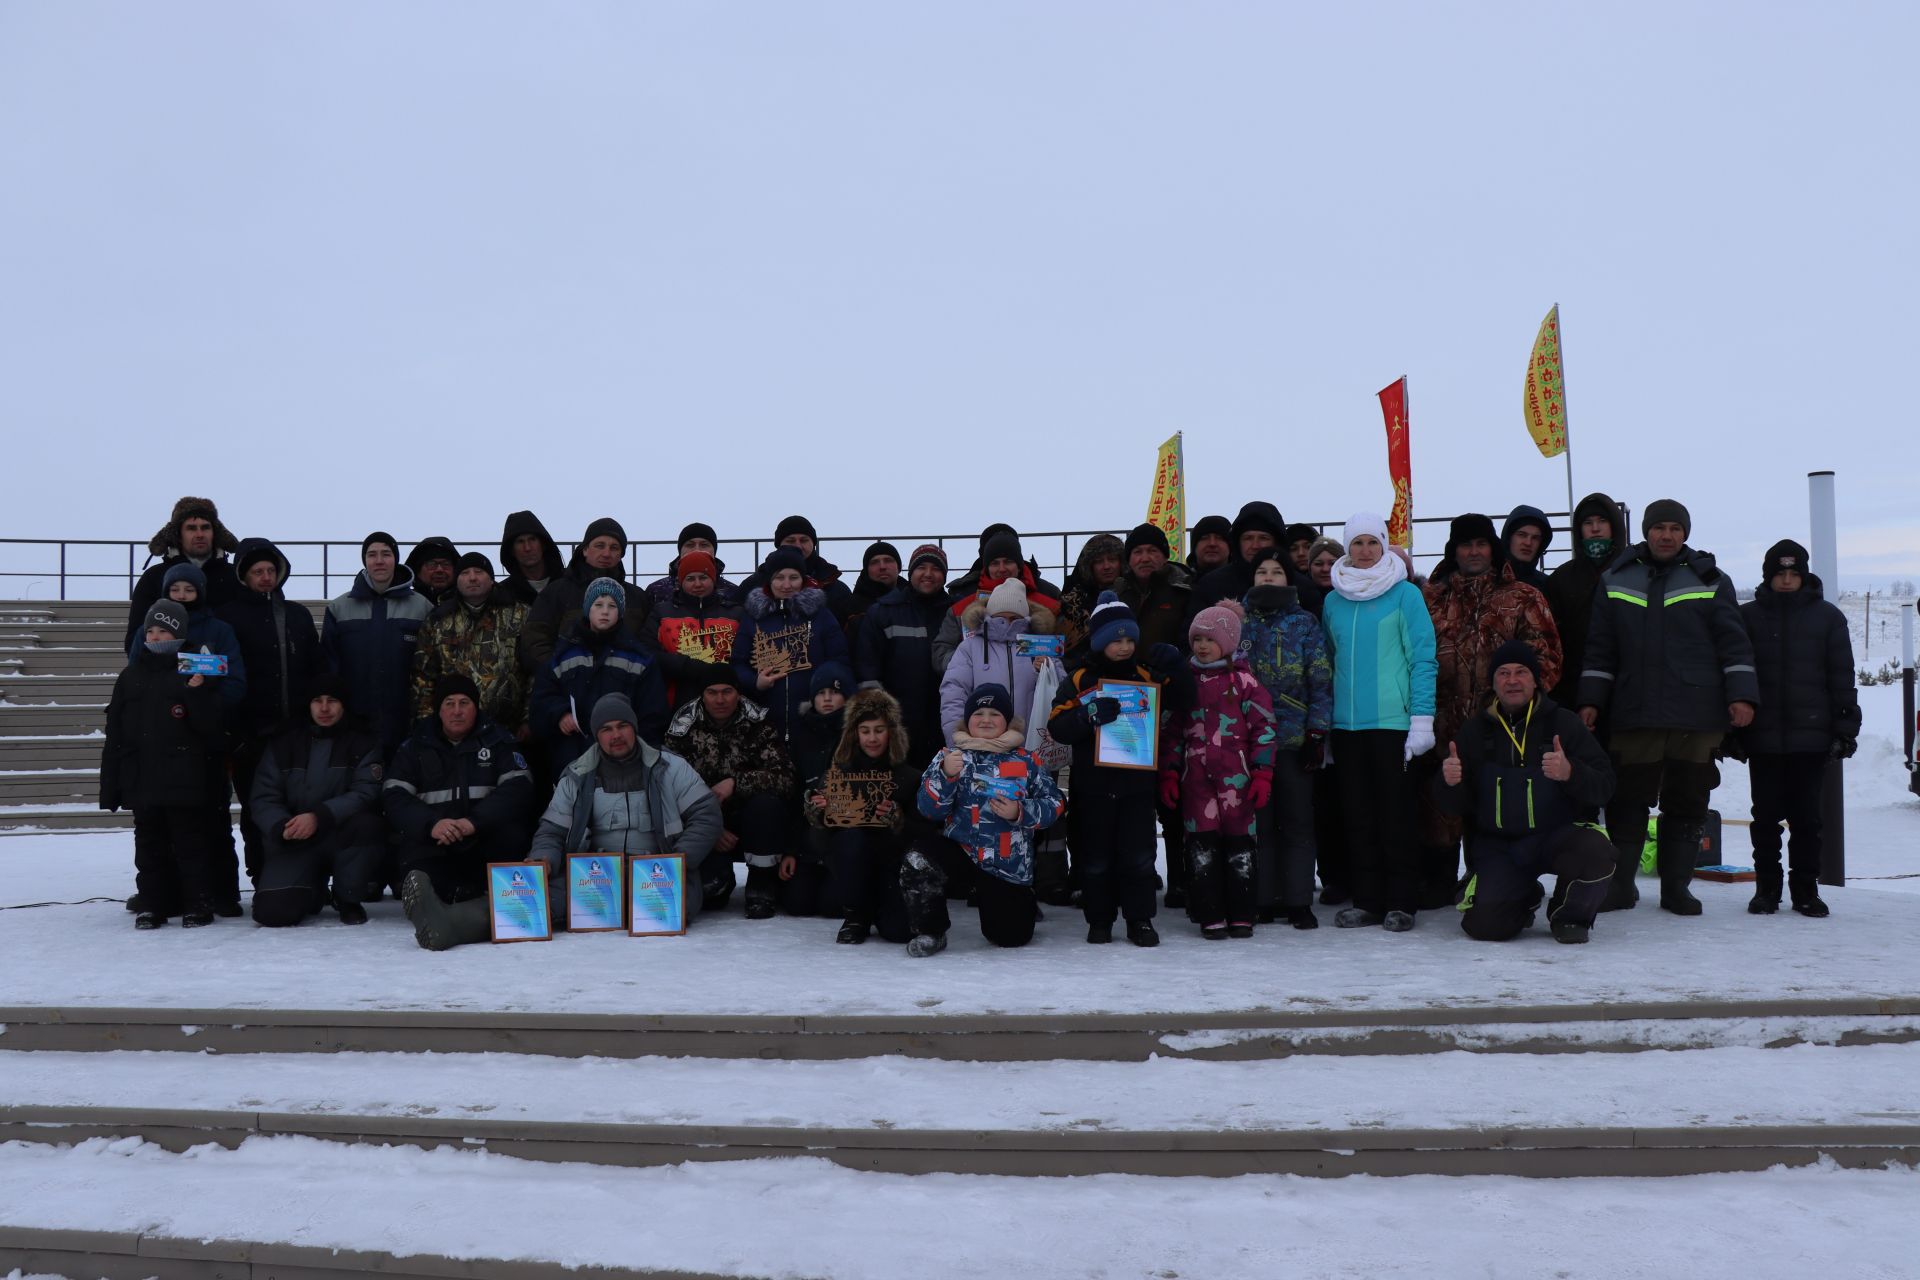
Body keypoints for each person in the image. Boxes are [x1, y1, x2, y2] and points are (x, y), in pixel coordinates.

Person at [1578, 499, 1759, 916]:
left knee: (1688, 802)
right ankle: (1620, 886)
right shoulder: (1616, 579)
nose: (1666, 535)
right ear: (1646, 531)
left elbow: (1734, 645)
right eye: (1659, 527)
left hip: (1695, 716)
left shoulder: (1712, 580)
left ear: (1685, 534)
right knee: (1626, 803)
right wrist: (1590, 701)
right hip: (1633, 713)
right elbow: (1600, 651)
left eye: (1675, 528)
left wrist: (1742, 696)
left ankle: (1677, 889)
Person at [1416, 513, 1563, 909]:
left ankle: (1490, 883)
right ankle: (1439, 881)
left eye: (1481, 543)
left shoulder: (1523, 597)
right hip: (1442, 727)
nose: (1474, 551)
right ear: (1454, 550)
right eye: (1466, 544)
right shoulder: (1430, 599)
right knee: (1441, 810)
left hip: (1502, 732)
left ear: (1493, 548)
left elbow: (1547, 660)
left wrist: (1514, 709)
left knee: (1494, 812)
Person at [1436, 640, 1616, 944]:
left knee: (1598, 853)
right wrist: (1449, 783)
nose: (1512, 680)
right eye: (1503, 674)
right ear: (1493, 683)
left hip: (1555, 836)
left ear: (1535, 680)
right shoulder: (1475, 730)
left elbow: (1606, 785)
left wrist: (1571, 773)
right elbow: (1455, 806)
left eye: (1521, 672)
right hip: (1499, 845)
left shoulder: (1564, 723)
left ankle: (1568, 915)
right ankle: (1524, 896)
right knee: (1485, 928)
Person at [1322, 512, 1438, 932]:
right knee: (1358, 815)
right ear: (1347, 549)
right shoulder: (1333, 599)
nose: (1366, 551)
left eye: (1373, 543)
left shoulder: (1405, 594)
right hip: (1348, 727)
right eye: (1357, 544)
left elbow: (1423, 658)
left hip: (1394, 725)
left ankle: (1401, 901)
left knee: (1396, 814)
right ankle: (1368, 900)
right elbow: (1330, 662)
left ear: (1386, 545)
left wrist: (1421, 720)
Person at [528, 692, 729, 925]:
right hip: (593, 876)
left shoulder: (670, 767)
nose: (616, 735)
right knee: (535, 906)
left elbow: (706, 814)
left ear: (634, 728)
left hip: (656, 873)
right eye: (606, 729)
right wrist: (542, 859)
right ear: (596, 736)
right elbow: (552, 831)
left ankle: (615, 909)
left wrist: (679, 860)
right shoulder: (576, 775)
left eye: (622, 726)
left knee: (670, 909)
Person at [1049, 593, 1179, 947]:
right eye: (1115, 640)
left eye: (1129, 640)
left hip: (1137, 787)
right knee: (1094, 858)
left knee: (1139, 857)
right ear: (1099, 642)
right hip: (1092, 786)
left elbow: (1183, 699)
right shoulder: (1079, 680)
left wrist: (1178, 669)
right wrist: (1086, 716)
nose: (1123, 647)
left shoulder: (1146, 675)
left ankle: (1140, 920)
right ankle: (1100, 920)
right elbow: (1057, 725)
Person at [1740, 539, 1858, 917]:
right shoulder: (1748, 618)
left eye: (1794, 573)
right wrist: (1733, 729)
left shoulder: (1827, 618)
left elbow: (1842, 676)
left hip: (1811, 737)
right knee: (1765, 818)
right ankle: (1766, 890)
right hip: (1764, 737)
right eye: (1780, 574)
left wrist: (1845, 728)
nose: (1787, 580)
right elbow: (1736, 676)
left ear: (1803, 576)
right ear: (1768, 577)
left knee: (1808, 819)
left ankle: (1806, 890)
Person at [906, 684, 1066, 956]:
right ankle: (931, 930)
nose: (986, 719)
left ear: (1007, 721)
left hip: (1006, 863)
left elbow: (1056, 804)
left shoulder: (1027, 761)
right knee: (918, 858)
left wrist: (1020, 812)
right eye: (979, 713)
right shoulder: (950, 757)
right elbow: (928, 810)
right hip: (962, 852)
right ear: (968, 720)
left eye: (995, 713)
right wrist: (946, 776)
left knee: (1010, 937)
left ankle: (1022, 900)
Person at [101, 603, 227, 929]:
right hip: (141, 778)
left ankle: (197, 903)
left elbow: (209, 727)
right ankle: (151, 904)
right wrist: (112, 783)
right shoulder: (130, 675)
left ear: (179, 635)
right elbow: (115, 729)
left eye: (164, 631)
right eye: (151, 631)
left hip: (184, 779)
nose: (156, 637)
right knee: (148, 847)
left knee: (190, 845)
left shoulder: (192, 670)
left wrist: (197, 694)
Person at [388, 674, 539, 947]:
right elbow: (394, 797)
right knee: (413, 856)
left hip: (482, 840)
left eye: (464, 703)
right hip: (435, 842)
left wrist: (474, 822)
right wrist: (431, 825)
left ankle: (456, 908)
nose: (457, 711)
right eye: (449, 703)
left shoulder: (499, 742)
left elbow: (518, 790)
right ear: (439, 709)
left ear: (476, 707)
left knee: (513, 836)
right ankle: (437, 899)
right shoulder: (414, 746)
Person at [1162, 603, 1275, 939]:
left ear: (1226, 643)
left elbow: (1263, 727)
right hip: (1196, 780)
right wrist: (1169, 771)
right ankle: (1209, 913)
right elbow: (1172, 729)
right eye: (1196, 639)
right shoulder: (1185, 681)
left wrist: (1262, 771)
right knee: (1201, 847)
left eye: (1209, 640)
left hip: (1236, 780)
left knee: (1240, 847)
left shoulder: (1244, 681)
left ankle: (1242, 913)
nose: (1201, 646)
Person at [217, 538, 319, 890]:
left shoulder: (298, 615)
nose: (265, 577)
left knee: (300, 804)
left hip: (295, 731)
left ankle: (304, 876)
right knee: (256, 809)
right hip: (251, 734)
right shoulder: (228, 616)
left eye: (270, 570)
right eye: (257, 571)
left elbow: (315, 669)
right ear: (244, 576)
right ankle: (262, 875)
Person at [1240, 549, 1332, 926]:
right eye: (1261, 571)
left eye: (1276, 571)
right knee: (1259, 823)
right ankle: (1263, 897)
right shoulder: (1237, 620)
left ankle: (1297, 900)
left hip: (1295, 739)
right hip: (1248, 741)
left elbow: (1321, 680)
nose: (1268, 577)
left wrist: (1316, 732)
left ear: (1288, 580)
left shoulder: (1304, 622)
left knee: (1296, 821)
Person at [248, 674, 385, 927]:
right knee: (273, 914)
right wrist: (281, 827)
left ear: (343, 705)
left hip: (341, 832)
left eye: (332, 701)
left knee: (368, 824)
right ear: (307, 704)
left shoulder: (363, 742)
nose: (324, 708)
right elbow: (263, 797)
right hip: (295, 838)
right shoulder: (283, 742)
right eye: (317, 701)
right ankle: (312, 889)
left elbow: (366, 792)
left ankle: (348, 899)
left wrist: (319, 816)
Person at [664, 663, 796, 918]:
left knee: (767, 806)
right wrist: (710, 828)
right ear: (702, 694)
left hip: (751, 820)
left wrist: (736, 782)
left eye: (727, 692)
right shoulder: (682, 726)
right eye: (712, 692)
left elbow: (786, 777)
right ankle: (719, 877)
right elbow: (668, 786)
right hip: (703, 822)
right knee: (711, 897)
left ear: (738, 692)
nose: (720, 699)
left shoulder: (759, 722)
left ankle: (761, 881)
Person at [802, 688, 924, 944]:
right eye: (865, 730)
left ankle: (878, 908)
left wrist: (898, 820)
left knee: (899, 932)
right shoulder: (835, 776)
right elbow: (820, 844)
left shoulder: (909, 777)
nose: (872, 738)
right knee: (850, 842)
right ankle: (856, 915)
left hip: (891, 870)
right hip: (849, 868)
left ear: (891, 732)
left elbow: (921, 836)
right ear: (854, 735)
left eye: (879, 730)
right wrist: (818, 817)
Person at [529, 577, 668, 774]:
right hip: (572, 760)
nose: (605, 611)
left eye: (612, 606)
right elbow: (541, 699)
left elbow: (653, 713)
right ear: (587, 609)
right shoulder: (562, 656)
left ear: (620, 612)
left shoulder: (641, 659)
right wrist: (560, 714)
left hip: (625, 764)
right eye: (598, 604)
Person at [321, 531, 433, 757]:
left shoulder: (422, 607)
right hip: (355, 726)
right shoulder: (339, 608)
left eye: (386, 554)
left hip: (406, 725)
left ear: (396, 559)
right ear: (365, 561)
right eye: (372, 555)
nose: (379, 561)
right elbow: (329, 667)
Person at [733, 546, 853, 740]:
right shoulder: (753, 617)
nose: (786, 584)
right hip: (765, 720)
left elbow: (839, 660)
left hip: (813, 717)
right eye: (779, 577)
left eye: (794, 577)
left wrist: (824, 688)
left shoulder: (821, 615)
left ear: (803, 580)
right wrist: (755, 682)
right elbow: (738, 663)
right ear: (769, 581)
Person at [411, 552, 530, 736]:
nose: (472, 578)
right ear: (457, 581)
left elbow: (535, 671)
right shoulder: (438, 620)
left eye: (479, 572)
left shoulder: (520, 615)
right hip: (452, 732)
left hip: (509, 732)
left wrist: (528, 719)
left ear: (491, 579)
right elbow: (424, 677)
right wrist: (428, 724)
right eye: (465, 573)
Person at [854, 543, 950, 767]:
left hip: (944, 722)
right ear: (910, 573)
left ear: (944, 576)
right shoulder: (883, 611)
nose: (928, 574)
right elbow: (868, 667)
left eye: (935, 568)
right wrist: (878, 720)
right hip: (898, 724)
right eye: (921, 567)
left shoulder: (955, 613)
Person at [938, 577, 1063, 747]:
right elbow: (953, 696)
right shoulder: (969, 647)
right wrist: (958, 743)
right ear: (989, 615)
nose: (1007, 623)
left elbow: (1062, 690)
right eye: (1000, 617)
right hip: (982, 748)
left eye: (1014, 618)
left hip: (1034, 745)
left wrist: (1049, 669)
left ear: (1024, 617)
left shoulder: (1040, 645)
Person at [519, 517, 650, 674]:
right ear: (585, 549)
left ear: (621, 554)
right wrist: (558, 674)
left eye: (614, 548)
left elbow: (647, 645)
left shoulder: (638, 597)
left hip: (625, 689)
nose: (606, 553)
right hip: (566, 688)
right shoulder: (556, 592)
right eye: (599, 546)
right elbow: (534, 640)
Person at [932, 527, 1063, 673]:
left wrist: (1050, 664)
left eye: (1008, 561)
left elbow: (1064, 649)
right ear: (987, 567)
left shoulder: (1050, 602)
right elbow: (941, 652)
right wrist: (965, 663)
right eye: (994, 563)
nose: (1002, 569)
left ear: (1019, 565)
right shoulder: (960, 608)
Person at [1543, 492, 1628, 712]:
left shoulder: (1635, 574)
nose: (1595, 528)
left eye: (1602, 521)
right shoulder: (1562, 578)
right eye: (1588, 522)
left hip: (1628, 692)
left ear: (1615, 527)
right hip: (1574, 692)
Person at [125, 496, 241, 651]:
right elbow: (135, 640)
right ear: (178, 534)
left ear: (215, 533)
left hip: (225, 670)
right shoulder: (153, 578)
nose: (200, 534)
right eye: (191, 528)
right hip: (165, 673)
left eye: (205, 527)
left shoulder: (235, 576)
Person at [640, 549, 746, 707]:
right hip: (675, 700)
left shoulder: (735, 613)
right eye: (690, 578)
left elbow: (744, 654)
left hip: (725, 702)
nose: (697, 584)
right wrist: (686, 666)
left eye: (703, 577)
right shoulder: (662, 612)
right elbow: (647, 651)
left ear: (713, 579)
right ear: (681, 581)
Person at [737, 515, 854, 621]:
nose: (798, 545)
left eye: (804, 540)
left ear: (813, 543)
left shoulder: (836, 588)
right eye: (790, 540)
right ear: (779, 545)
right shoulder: (753, 584)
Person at [643, 522, 744, 608]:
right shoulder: (656, 591)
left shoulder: (733, 592)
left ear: (714, 550)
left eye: (704, 545)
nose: (697, 549)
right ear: (680, 550)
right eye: (690, 545)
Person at [1056, 534, 1124, 658]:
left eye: (1112, 559)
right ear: (1089, 567)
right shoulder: (1071, 602)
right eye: (1099, 561)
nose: (1106, 566)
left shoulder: (1134, 595)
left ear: (1121, 562)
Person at [498, 511, 565, 606]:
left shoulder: (569, 584)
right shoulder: (502, 594)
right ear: (512, 551)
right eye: (520, 542)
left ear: (543, 544)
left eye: (532, 539)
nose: (527, 548)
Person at [843, 541, 902, 641]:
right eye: (874, 562)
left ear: (899, 567)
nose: (882, 566)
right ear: (867, 570)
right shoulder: (850, 608)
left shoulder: (914, 601)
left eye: (888, 560)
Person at [1501, 505, 1554, 592]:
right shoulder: (1486, 582)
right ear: (1508, 538)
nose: (1528, 543)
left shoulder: (1549, 587)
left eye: (1535, 538)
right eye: (1522, 535)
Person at [405, 537, 461, 609]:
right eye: (432, 564)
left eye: (446, 564)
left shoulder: (470, 603)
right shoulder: (404, 604)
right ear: (417, 571)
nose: (439, 570)